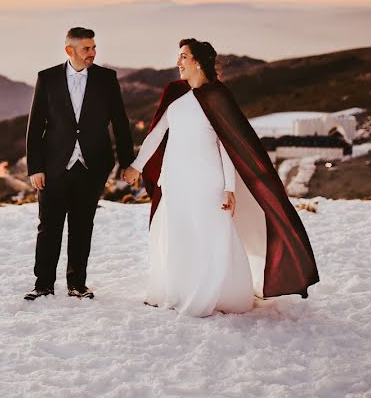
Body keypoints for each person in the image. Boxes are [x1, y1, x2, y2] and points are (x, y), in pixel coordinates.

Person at [122, 39, 319, 317]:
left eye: (183, 57)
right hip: (175, 179)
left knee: (209, 235)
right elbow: (155, 136)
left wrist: (229, 187)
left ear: (198, 62)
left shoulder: (217, 97)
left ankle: (217, 293)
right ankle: (177, 290)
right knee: (177, 234)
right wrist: (136, 166)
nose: (178, 62)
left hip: (206, 181)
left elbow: (227, 145)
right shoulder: (176, 96)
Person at [24, 27, 134, 301]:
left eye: (94, 47)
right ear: (69, 50)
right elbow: (35, 125)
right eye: (86, 48)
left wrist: (126, 163)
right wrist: (35, 167)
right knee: (48, 226)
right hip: (52, 167)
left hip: (93, 166)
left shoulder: (106, 79)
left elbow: (120, 122)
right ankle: (43, 285)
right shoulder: (47, 78)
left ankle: (77, 284)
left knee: (82, 225)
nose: (92, 53)